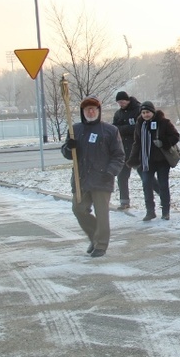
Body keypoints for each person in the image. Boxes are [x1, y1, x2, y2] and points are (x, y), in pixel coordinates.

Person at [61, 96, 125, 258]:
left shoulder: (110, 131)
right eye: (87, 109)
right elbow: (67, 154)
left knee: (102, 214)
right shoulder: (75, 130)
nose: (90, 111)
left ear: (98, 111)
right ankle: (95, 237)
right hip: (81, 178)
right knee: (79, 209)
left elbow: (119, 156)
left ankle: (101, 245)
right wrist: (69, 148)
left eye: (93, 109)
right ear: (83, 112)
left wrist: (110, 172)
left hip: (102, 179)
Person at [126, 101, 180, 221]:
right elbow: (137, 142)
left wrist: (164, 142)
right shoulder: (140, 124)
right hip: (146, 161)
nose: (145, 115)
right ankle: (150, 211)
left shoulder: (163, 122)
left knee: (163, 185)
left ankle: (165, 211)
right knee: (146, 185)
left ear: (153, 112)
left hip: (162, 160)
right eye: (143, 112)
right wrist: (133, 159)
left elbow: (175, 136)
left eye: (148, 112)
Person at [112, 91, 150, 210]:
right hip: (123, 149)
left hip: (136, 149)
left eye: (122, 101)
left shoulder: (138, 110)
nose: (121, 104)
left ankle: (159, 195)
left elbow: (138, 127)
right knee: (122, 176)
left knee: (145, 176)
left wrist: (123, 129)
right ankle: (124, 201)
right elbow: (114, 129)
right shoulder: (118, 114)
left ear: (127, 100)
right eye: (119, 102)